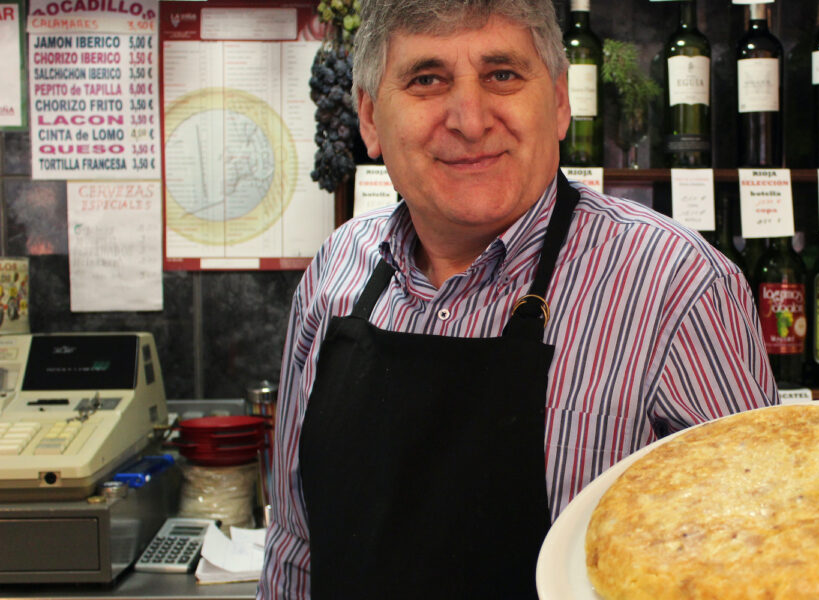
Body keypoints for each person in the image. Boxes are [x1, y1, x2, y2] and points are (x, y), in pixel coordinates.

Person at [259, 0, 777, 597]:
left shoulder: (678, 287)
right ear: (370, 119)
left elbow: (757, 562)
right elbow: (296, 549)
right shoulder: (334, 272)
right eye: (427, 79)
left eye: (502, 74)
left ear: (559, 102)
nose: (470, 119)